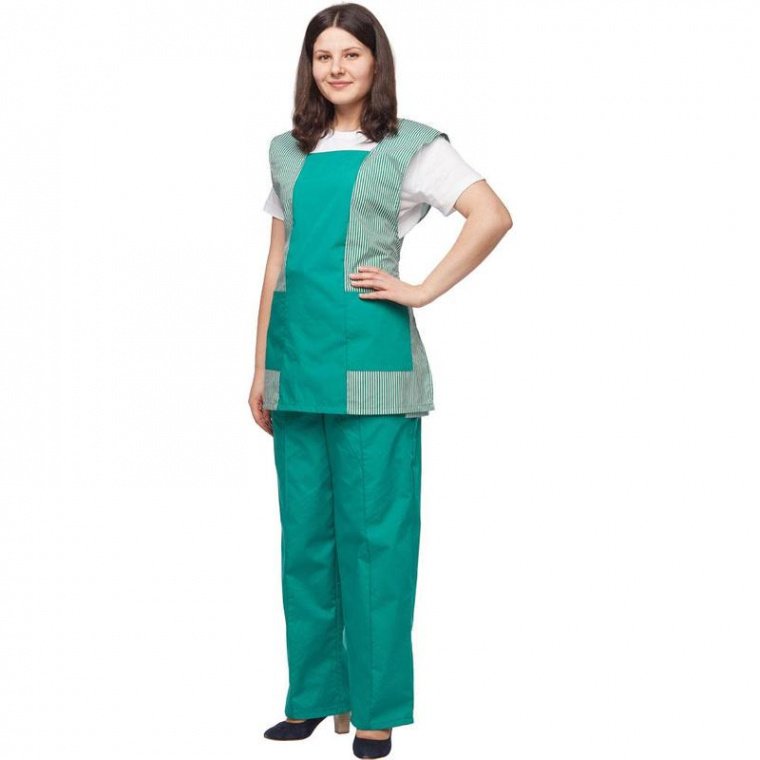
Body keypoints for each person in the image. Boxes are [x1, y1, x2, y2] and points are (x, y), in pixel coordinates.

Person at [248, 4, 512, 758]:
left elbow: (491, 216)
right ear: (310, 66)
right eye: (323, 55)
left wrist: (420, 290)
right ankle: (314, 696)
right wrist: (260, 365)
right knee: (306, 542)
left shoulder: (413, 146)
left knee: (375, 544)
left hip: (373, 371)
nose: (336, 68)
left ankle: (375, 709)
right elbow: (277, 261)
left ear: (375, 62)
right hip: (297, 368)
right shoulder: (286, 151)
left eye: (351, 55)